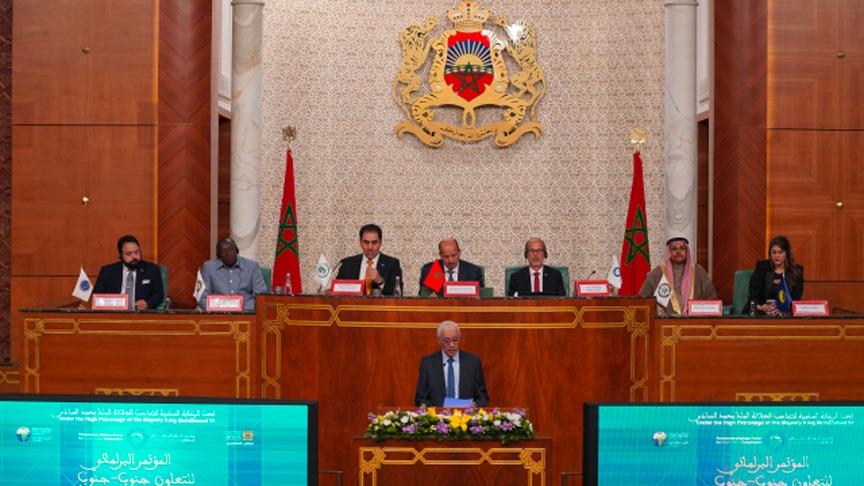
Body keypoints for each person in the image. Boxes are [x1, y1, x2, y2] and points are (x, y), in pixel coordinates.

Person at [414, 320, 489, 407]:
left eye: (455, 340)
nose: (452, 345)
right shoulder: (428, 363)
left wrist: (473, 406)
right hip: (438, 414)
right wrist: (437, 411)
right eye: (447, 341)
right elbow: (420, 399)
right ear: (439, 340)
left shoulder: (473, 363)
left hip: (466, 414)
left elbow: (483, 397)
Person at [639, 236, 718, 316]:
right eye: (674, 249)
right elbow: (643, 299)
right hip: (666, 322)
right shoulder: (658, 272)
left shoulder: (698, 271)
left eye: (682, 248)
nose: (678, 251)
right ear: (669, 252)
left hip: (694, 320)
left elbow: (712, 299)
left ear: (687, 251)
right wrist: (655, 307)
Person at [93, 234, 165, 310]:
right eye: (129, 254)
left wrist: (147, 304)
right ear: (121, 255)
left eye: (136, 252)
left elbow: (159, 294)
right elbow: (97, 296)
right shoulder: (108, 271)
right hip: (114, 314)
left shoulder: (152, 270)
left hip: (140, 314)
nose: (134, 257)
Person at [197, 237, 269, 312]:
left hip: (246, 314)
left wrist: (240, 308)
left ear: (237, 250)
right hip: (218, 314)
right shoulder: (208, 267)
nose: (228, 254)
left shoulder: (252, 266)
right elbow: (201, 298)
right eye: (223, 251)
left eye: (231, 249)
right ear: (218, 255)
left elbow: (261, 297)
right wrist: (222, 309)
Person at [335, 224, 403, 295]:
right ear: (360, 243)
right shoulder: (347, 264)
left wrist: (380, 281)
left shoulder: (392, 264)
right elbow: (336, 292)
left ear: (380, 243)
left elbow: (398, 294)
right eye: (366, 242)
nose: (370, 247)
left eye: (374, 242)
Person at [748, 235, 804, 316]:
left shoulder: (797, 271)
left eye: (780, 252)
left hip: (786, 314)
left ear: (787, 254)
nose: (777, 256)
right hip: (762, 312)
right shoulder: (762, 267)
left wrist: (783, 309)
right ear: (770, 254)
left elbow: (796, 300)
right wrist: (761, 307)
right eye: (774, 252)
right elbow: (753, 295)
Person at [418, 238, 485, 296]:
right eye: (446, 257)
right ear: (440, 255)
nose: (451, 260)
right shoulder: (429, 270)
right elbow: (423, 297)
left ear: (459, 253)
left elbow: (481, 298)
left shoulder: (473, 271)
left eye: (453, 255)